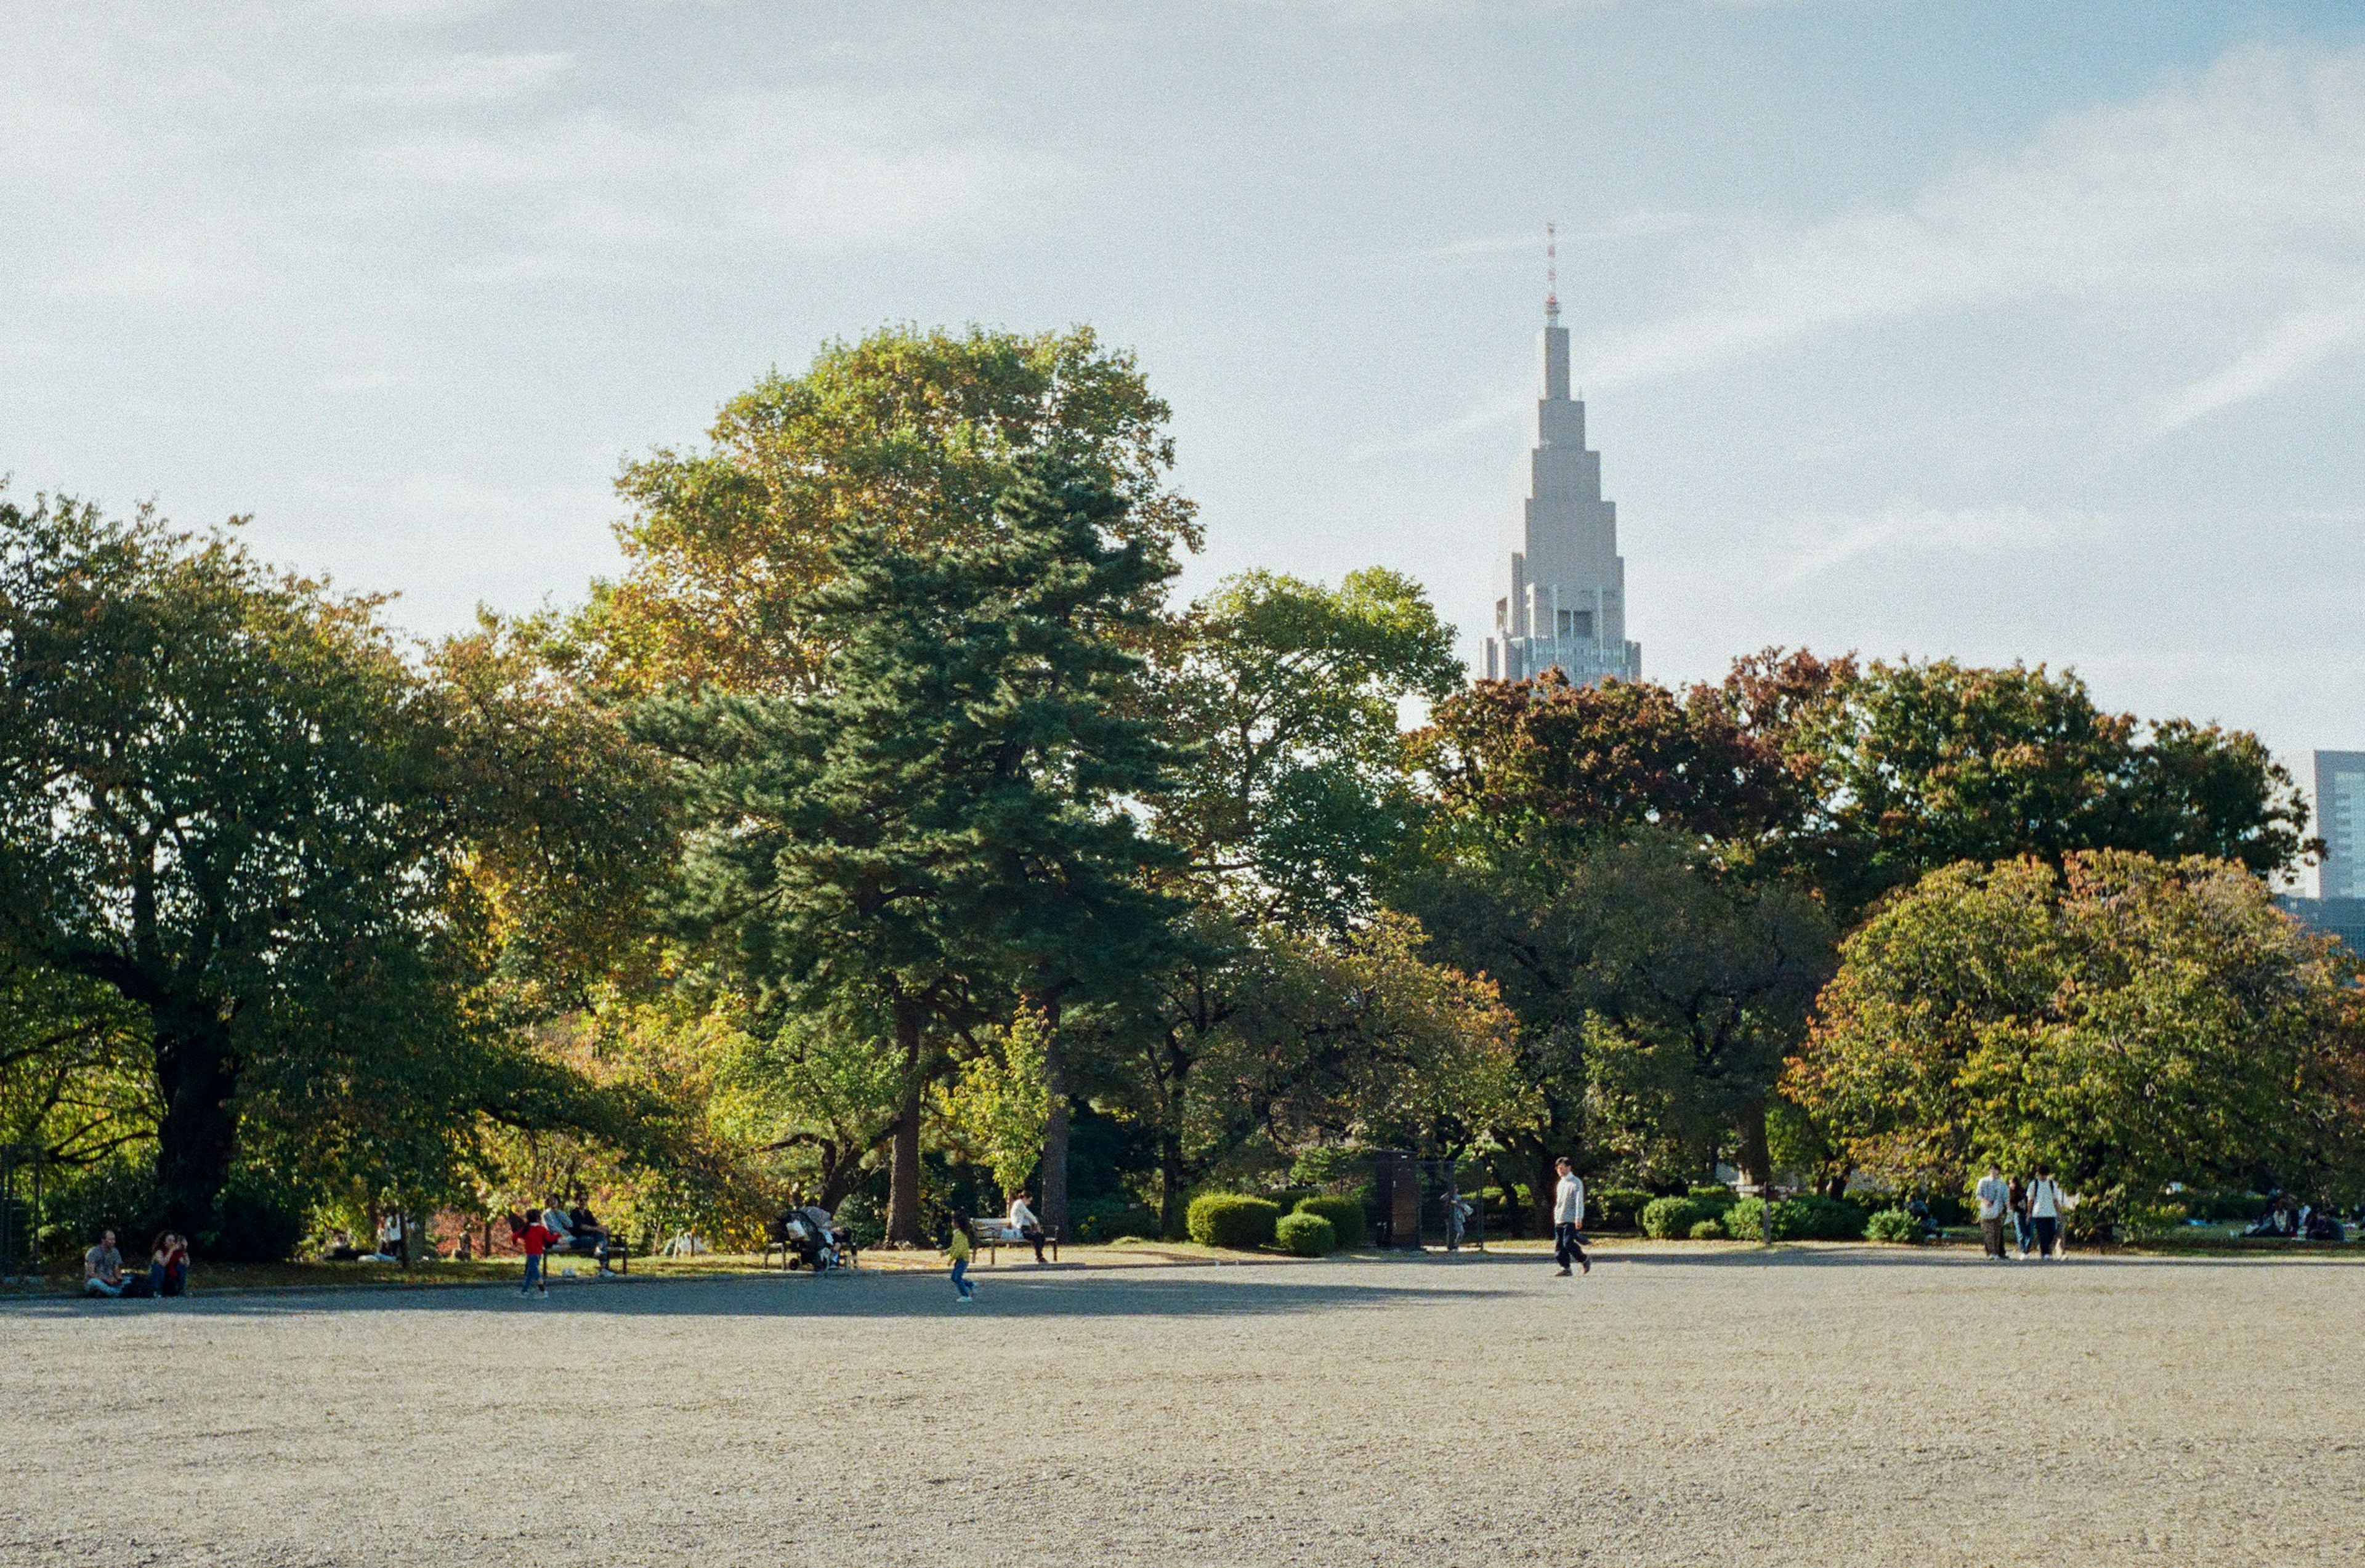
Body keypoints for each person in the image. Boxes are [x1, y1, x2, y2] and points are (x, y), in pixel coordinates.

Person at [1551, 1157, 1588, 1277]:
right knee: (1559, 1245)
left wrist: (1579, 1218)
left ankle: (1584, 1259)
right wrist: (1556, 1216)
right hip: (1560, 1218)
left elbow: (1579, 1201)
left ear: (1569, 1168)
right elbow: (1559, 1202)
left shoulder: (1576, 1182)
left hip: (1571, 1218)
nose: (1560, 1170)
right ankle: (1565, 1267)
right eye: (1558, 1168)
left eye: (1563, 1168)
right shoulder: (1561, 1183)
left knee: (1568, 1243)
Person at [2026, 1165, 2065, 1259]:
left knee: (2051, 1233)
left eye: (2045, 1175)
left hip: (2051, 1213)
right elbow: (2030, 1200)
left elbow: (2055, 1200)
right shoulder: (2034, 1184)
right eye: (2041, 1175)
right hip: (2038, 1213)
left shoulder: (2052, 1184)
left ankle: (2045, 1249)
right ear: (2038, 1174)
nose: (2043, 1177)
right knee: (2043, 1234)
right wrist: (2029, 1213)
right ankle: (2045, 1253)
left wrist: (2059, 1213)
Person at [1975, 1165, 2010, 1261]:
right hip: (1986, 1211)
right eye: (1992, 1169)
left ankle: (1996, 1252)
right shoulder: (1983, 1181)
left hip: (1998, 1211)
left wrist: (2009, 1208)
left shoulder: (2002, 1184)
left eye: (1996, 1170)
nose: (1994, 1171)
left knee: (1997, 1233)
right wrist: (1985, 1201)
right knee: (1988, 1232)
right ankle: (1991, 1252)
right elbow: (1978, 1195)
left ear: (1999, 1172)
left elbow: (2006, 1197)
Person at [518, 1208, 553, 1297]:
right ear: (538, 1219)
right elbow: (549, 1239)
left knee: (531, 1272)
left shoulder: (526, 1229)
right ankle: (541, 1290)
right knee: (535, 1272)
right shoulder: (542, 1229)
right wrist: (557, 1235)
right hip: (538, 1253)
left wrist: (514, 1240)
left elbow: (517, 1235)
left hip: (530, 1254)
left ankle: (526, 1289)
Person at [1006, 1190, 1047, 1264]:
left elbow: (1027, 1218)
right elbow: (1029, 1215)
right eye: (1029, 1201)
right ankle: (1039, 1257)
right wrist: (1036, 1222)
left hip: (1024, 1228)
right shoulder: (1019, 1204)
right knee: (1036, 1237)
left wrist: (1034, 1224)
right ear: (1025, 1198)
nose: (1029, 1203)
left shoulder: (1020, 1205)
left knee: (1041, 1237)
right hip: (1020, 1229)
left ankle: (1039, 1256)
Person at [83, 1230, 126, 1298]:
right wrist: (107, 1279)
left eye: (114, 1239)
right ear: (103, 1240)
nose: (114, 1242)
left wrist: (119, 1279)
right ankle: (116, 1293)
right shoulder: (94, 1252)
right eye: (111, 1240)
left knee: (129, 1280)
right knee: (94, 1283)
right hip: (96, 1280)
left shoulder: (115, 1252)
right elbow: (91, 1273)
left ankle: (106, 1293)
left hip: (110, 1282)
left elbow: (116, 1270)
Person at [148, 1232, 190, 1298]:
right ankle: (157, 1290)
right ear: (164, 1242)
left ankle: (181, 1290)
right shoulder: (159, 1251)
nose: (172, 1243)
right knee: (158, 1266)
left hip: (170, 1278)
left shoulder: (176, 1252)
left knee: (181, 1267)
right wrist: (171, 1251)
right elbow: (163, 1264)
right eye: (169, 1241)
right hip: (158, 1277)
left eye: (174, 1241)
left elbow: (186, 1264)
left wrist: (184, 1249)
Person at [948, 1211, 976, 1302]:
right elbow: (954, 1247)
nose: (951, 1223)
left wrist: (951, 1259)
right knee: (954, 1277)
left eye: (953, 1221)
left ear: (957, 1224)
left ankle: (966, 1296)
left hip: (962, 1259)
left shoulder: (959, 1235)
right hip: (960, 1259)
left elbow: (958, 1249)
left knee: (958, 1278)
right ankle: (970, 1284)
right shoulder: (958, 1233)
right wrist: (946, 1252)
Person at [2008, 1176, 2032, 1259]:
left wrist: (2029, 1213)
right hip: (2017, 1213)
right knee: (2021, 1233)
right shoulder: (2009, 1193)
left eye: (2013, 1183)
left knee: (2029, 1233)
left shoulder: (2023, 1191)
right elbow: (2010, 1205)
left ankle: (2027, 1250)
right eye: (2010, 1183)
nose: (2011, 1185)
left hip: (2026, 1213)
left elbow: (2029, 1200)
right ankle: (2023, 1251)